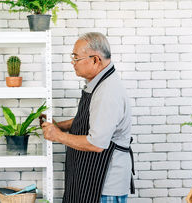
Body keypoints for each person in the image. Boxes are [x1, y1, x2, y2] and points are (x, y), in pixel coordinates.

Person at [40, 32, 134, 203]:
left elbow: (96, 143)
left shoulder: (107, 92)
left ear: (95, 60)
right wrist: (61, 126)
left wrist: (57, 135)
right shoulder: (99, 84)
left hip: (104, 186)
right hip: (90, 179)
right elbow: (92, 119)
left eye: (76, 58)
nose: (72, 63)